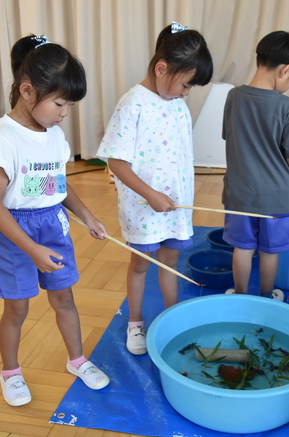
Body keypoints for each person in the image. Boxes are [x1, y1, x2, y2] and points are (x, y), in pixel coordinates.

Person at [0, 35, 110, 406]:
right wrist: (32, 248)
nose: (64, 112)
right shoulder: (2, 139)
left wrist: (87, 217)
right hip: (11, 231)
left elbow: (59, 187)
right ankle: (11, 371)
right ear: (27, 90)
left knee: (64, 298)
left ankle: (78, 360)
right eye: (59, 103)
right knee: (17, 307)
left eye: (68, 104)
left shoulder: (55, 136)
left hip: (51, 225)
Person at [96, 22, 213, 355]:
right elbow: (116, 163)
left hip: (174, 205)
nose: (186, 92)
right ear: (162, 68)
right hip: (142, 207)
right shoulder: (133, 103)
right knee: (141, 263)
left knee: (171, 261)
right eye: (186, 84)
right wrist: (150, 195)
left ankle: (173, 318)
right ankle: (135, 322)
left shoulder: (177, 104)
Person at [221, 31, 289, 300]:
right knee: (269, 250)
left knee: (242, 247)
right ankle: (265, 296)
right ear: (286, 70)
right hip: (276, 198)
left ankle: (240, 295)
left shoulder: (233, 97)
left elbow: (230, 138)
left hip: (240, 194)